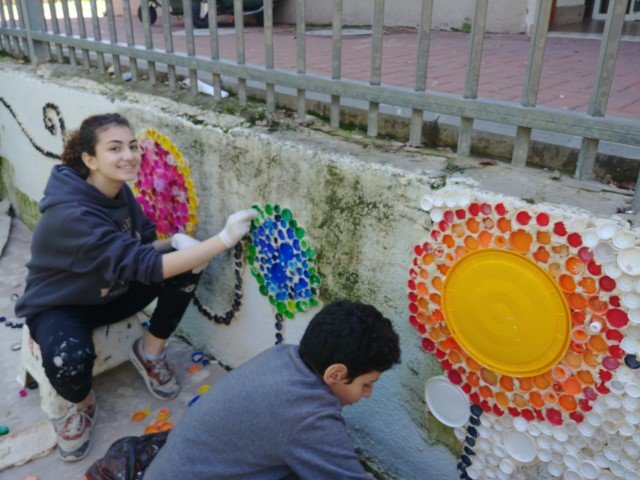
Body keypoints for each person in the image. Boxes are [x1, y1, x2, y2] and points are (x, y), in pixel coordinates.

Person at [14, 113, 257, 462]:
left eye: (132, 146)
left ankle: (149, 352)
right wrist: (222, 239)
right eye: (115, 148)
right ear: (90, 159)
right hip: (62, 305)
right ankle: (81, 404)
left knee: (188, 262)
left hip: (112, 291)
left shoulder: (118, 191)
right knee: (68, 361)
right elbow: (146, 265)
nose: (129, 155)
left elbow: (141, 248)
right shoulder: (73, 215)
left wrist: (173, 241)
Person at [143, 300, 401, 480]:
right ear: (335, 374)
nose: (368, 393)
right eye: (366, 384)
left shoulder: (284, 355)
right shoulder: (308, 417)